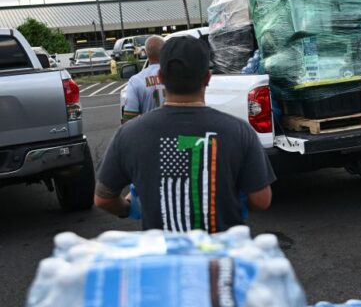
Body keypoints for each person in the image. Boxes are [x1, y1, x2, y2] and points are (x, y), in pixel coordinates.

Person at [95, 36, 275, 232]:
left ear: (161, 78)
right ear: (207, 78)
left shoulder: (129, 134)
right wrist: (236, 207)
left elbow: (103, 198)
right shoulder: (240, 132)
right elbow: (261, 199)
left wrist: (129, 209)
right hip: (220, 257)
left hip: (165, 257)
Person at [122, 35, 167, 123]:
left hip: (148, 132)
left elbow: (129, 119)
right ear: (166, 51)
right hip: (175, 132)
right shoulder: (177, 76)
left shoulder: (136, 80)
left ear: (146, 53)